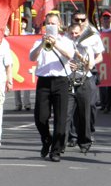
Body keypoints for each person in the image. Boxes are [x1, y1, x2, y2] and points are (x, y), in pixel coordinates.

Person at [29, 12, 74, 162]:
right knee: (40, 118)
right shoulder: (39, 42)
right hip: (44, 82)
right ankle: (46, 139)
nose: (51, 26)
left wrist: (56, 44)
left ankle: (56, 151)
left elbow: (69, 55)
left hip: (61, 81)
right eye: (48, 23)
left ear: (59, 25)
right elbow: (32, 57)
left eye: (53, 23)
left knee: (61, 119)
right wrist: (42, 44)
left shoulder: (65, 41)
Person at [68, 9, 104, 147]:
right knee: (72, 106)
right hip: (71, 73)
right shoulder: (68, 34)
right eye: (77, 20)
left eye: (83, 19)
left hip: (89, 72)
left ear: (87, 20)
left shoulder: (93, 34)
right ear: (72, 20)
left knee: (90, 104)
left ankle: (90, 131)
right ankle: (73, 136)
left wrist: (90, 63)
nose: (80, 22)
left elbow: (100, 56)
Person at [64, 22, 95, 154]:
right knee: (66, 113)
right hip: (69, 80)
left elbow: (91, 65)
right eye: (72, 33)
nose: (74, 35)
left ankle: (85, 141)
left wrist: (80, 55)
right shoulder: (65, 44)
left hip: (83, 80)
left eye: (76, 33)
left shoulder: (86, 46)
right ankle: (61, 142)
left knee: (84, 113)